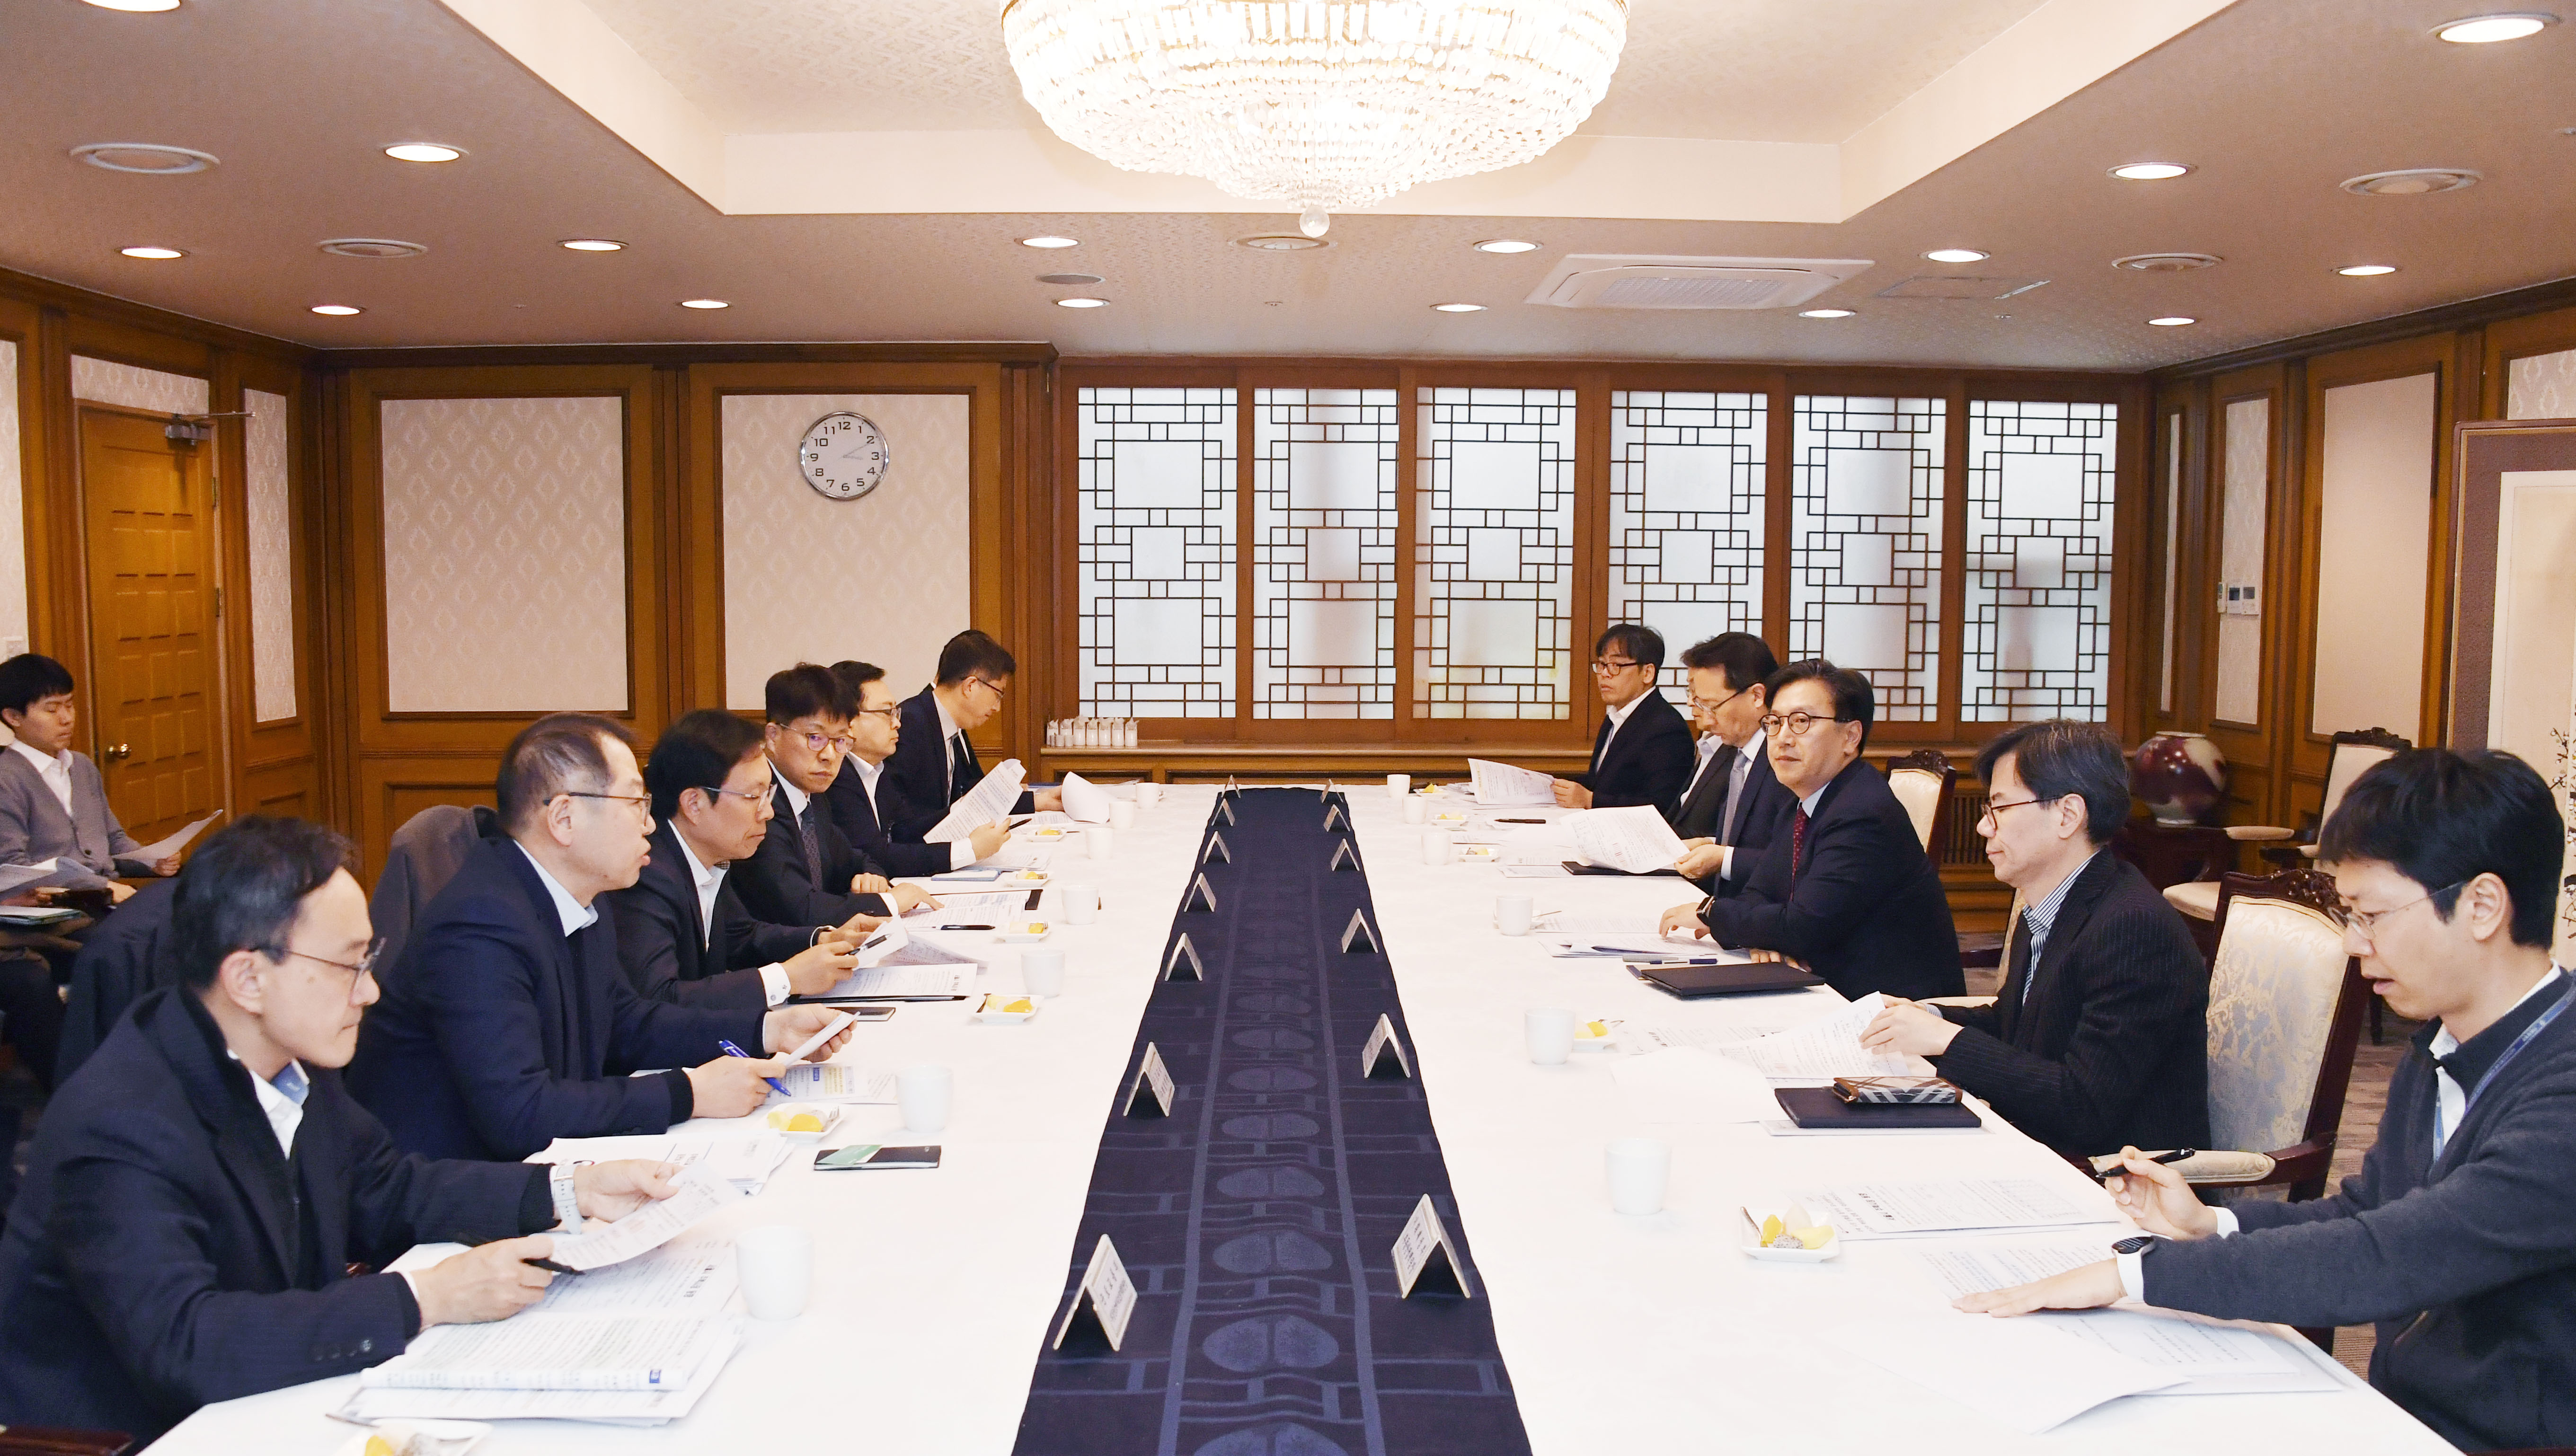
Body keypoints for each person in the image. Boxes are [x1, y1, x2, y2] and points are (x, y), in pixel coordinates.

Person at [1959, 748, 2576, 1454]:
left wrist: (2134, 1274)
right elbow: (2367, 1212)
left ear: (2481, 906)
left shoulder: (2560, 1090)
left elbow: (2392, 1253)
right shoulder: (2439, 1046)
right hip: (2398, 1414)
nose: (2352, 942)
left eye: (2372, 914)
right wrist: (2214, 1224)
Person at [0, 815, 682, 1443]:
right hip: (144, 1436)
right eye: (348, 965)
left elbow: (388, 1186)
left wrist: (571, 1190)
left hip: (271, 1401)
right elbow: (189, 1342)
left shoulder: (289, 1056)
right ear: (248, 978)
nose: (370, 991)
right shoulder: (121, 1121)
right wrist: (426, 1298)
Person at [348, 714, 853, 1161]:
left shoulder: (577, 897)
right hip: (458, 1199)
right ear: (564, 818)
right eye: (634, 802)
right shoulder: (480, 927)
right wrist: (690, 1091)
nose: (650, 823)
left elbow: (627, 1023)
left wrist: (767, 1029)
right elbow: (520, 1113)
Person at [1858, 720, 2208, 1158]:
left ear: (2067, 815)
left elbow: (2083, 1106)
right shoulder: (2048, 900)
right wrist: (1926, 1015)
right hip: (2040, 1146)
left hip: (2115, 1176)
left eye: (2000, 808)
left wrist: (1946, 1039)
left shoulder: (2133, 928)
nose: (1983, 827)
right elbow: (2016, 1022)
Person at [1659, 659, 1961, 1000]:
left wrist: (1710, 913)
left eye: (1801, 721)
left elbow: (1803, 926)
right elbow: (1759, 890)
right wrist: (1764, 937)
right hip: (1823, 979)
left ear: (1850, 736)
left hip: (1888, 1006)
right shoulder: (1804, 798)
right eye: (1774, 722)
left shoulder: (1862, 812)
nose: (1783, 738)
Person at [606, 709, 870, 1011]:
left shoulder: (710, 856)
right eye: (753, 797)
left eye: (768, 795)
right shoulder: (647, 873)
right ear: (694, 804)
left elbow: (739, 935)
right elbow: (660, 999)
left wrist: (823, 939)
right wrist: (785, 979)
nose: (768, 812)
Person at [731, 664, 927, 928]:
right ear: (773, 736)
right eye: (815, 738)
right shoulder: (758, 804)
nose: (829, 755)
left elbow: (857, 859)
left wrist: (871, 876)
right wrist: (889, 902)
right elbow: (800, 908)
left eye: (840, 741)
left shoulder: (814, 798)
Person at [0, 652, 179, 895]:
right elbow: (14, 867)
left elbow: (114, 840)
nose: (67, 719)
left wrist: (151, 860)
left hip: (108, 894)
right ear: (13, 717)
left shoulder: (82, 766)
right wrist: (102, 887)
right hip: (63, 904)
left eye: (69, 705)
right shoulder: (7, 778)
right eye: (52, 710)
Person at [824, 660, 1010, 878]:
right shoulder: (837, 777)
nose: (897, 723)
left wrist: (962, 810)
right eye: (887, 712)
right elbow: (877, 856)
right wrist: (967, 850)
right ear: (849, 723)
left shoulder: (877, 770)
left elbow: (906, 829)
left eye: (896, 712)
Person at [883, 629, 1062, 840]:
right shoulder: (910, 725)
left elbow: (968, 792)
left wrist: (1037, 801)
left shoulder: (948, 723)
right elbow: (901, 826)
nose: (997, 708)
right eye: (998, 695)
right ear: (970, 686)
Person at [1667, 632, 1789, 900]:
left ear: (1757, 696)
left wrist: (1723, 858)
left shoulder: (1786, 758)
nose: (1705, 716)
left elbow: (1793, 862)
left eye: (1712, 706)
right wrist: (1712, 845)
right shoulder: (1733, 749)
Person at [1551, 624, 1695, 812]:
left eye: (1616, 666)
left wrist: (1590, 800)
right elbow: (1603, 784)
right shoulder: (1616, 716)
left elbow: (1662, 806)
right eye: (1602, 664)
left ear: (1648, 673)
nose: (1605, 674)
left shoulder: (1667, 728)